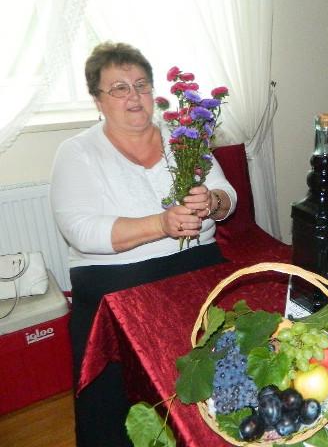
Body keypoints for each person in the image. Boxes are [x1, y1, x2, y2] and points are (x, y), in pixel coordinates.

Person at [50, 42, 237, 447]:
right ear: (98, 100)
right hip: (116, 282)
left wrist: (213, 202)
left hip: (196, 267)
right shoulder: (77, 152)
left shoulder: (184, 138)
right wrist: (162, 224)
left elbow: (227, 195)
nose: (133, 96)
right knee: (119, 412)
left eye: (141, 85)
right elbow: (80, 230)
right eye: (119, 88)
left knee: (222, 375)